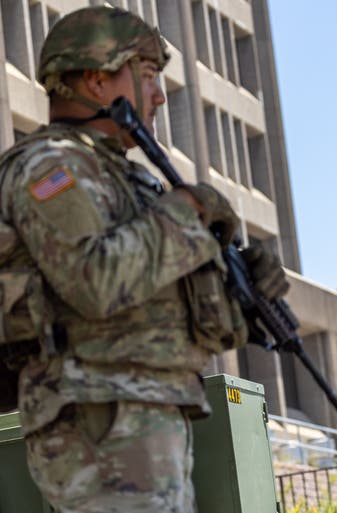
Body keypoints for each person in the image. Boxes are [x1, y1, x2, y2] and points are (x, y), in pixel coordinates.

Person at [0, 6, 287, 513]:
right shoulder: (51, 167)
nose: (158, 96)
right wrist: (186, 214)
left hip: (145, 408)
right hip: (97, 416)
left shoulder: (125, 180)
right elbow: (95, 280)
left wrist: (238, 294)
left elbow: (157, 300)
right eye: (149, 77)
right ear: (95, 80)